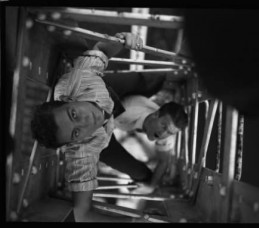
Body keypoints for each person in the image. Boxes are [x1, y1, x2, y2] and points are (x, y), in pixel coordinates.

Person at [30, 32, 162, 222]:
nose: (86, 121)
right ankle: (147, 179)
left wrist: (123, 39)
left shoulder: (81, 80)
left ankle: (161, 81)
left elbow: (103, 49)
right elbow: (82, 215)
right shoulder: (82, 152)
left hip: (107, 95)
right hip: (101, 139)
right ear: (74, 143)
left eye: (73, 114)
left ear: (69, 99)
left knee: (146, 81)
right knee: (139, 173)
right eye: (76, 132)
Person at [105, 95, 188, 194]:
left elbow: (163, 161)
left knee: (144, 176)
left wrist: (151, 186)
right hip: (105, 115)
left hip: (116, 123)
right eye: (163, 125)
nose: (163, 134)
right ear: (155, 114)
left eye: (169, 132)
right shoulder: (128, 111)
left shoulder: (167, 136)